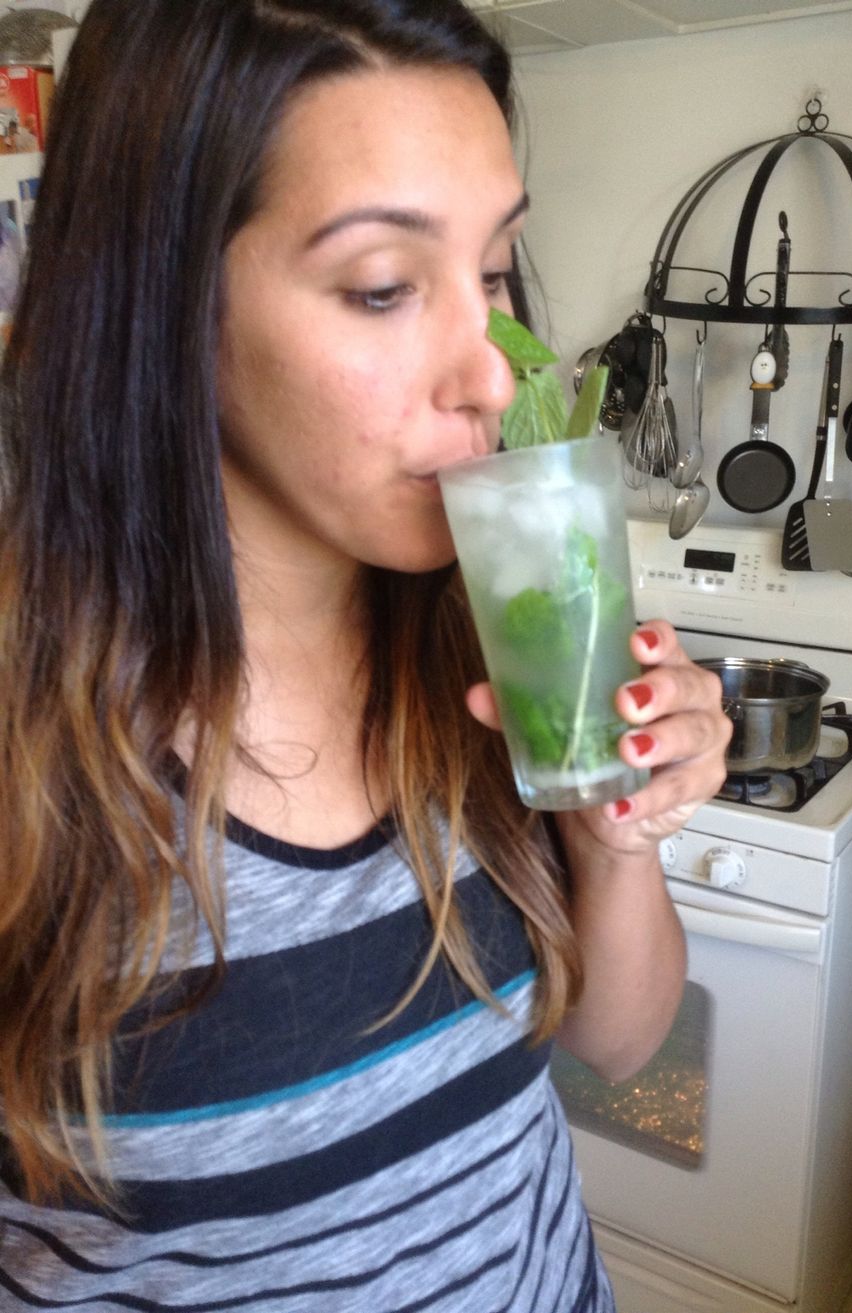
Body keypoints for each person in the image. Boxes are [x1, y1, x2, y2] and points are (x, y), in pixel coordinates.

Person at [0, 1, 730, 1309]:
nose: (495, 379)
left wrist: (615, 835)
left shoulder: (495, 636)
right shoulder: (28, 752)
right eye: (385, 285)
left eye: (496, 270)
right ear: (163, 299)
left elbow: (620, 1042)